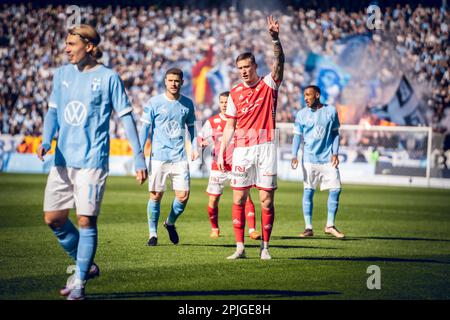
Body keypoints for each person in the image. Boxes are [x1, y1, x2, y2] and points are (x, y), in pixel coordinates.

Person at [37, 24, 148, 300]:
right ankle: (87, 266)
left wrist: (138, 158)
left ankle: (79, 284)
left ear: (88, 46)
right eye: (66, 43)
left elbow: (126, 118)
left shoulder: (109, 77)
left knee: (85, 219)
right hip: (63, 160)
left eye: (72, 44)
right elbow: (52, 112)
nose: (66, 49)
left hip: (92, 160)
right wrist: (45, 138)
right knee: (53, 218)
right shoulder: (61, 75)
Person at [217, 16, 284, 260]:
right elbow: (230, 125)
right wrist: (223, 150)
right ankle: (240, 248)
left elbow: (279, 62)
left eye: (247, 67)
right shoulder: (234, 93)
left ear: (255, 66)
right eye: (240, 69)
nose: (244, 72)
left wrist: (275, 39)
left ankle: (265, 247)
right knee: (239, 197)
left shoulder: (269, 83)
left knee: (266, 199)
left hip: (266, 145)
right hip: (242, 149)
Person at [139, 67, 198, 247]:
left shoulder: (187, 104)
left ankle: (170, 222)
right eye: (170, 80)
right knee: (156, 195)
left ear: (182, 82)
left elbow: (192, 128)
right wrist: (139, 153)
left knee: (183, 196)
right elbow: (144, 129)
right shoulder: (154, 102)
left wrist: (194, 146)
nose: (173, 83)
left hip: (179, 156)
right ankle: (152, 234)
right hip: (158, 156)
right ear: (165, 81)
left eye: (177, 81)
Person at [198, 91, 261, 240]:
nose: (225, 105)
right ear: (219, 103)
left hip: (238, 165)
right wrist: (201, 144)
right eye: (222, 102)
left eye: (227, 102)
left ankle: (252, 230)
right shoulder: (212, 122)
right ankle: (215, 228)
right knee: (213, 199)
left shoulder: (241, 121)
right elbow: (200, 139)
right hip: (218, 166)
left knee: (246, 198)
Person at [291, 85, 345, 239]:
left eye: (308, 95)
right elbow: (297, 136)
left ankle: (330, 225)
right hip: (309, 159)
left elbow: (335, 134)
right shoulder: (301, 114)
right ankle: (308, 227)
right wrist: (294, 155)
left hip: (327, 158)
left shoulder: (331, 111)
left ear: (317, 95)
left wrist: (335, 153)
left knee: (336, 189)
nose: (305, 98)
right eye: (304, 95)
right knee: (308, 191)